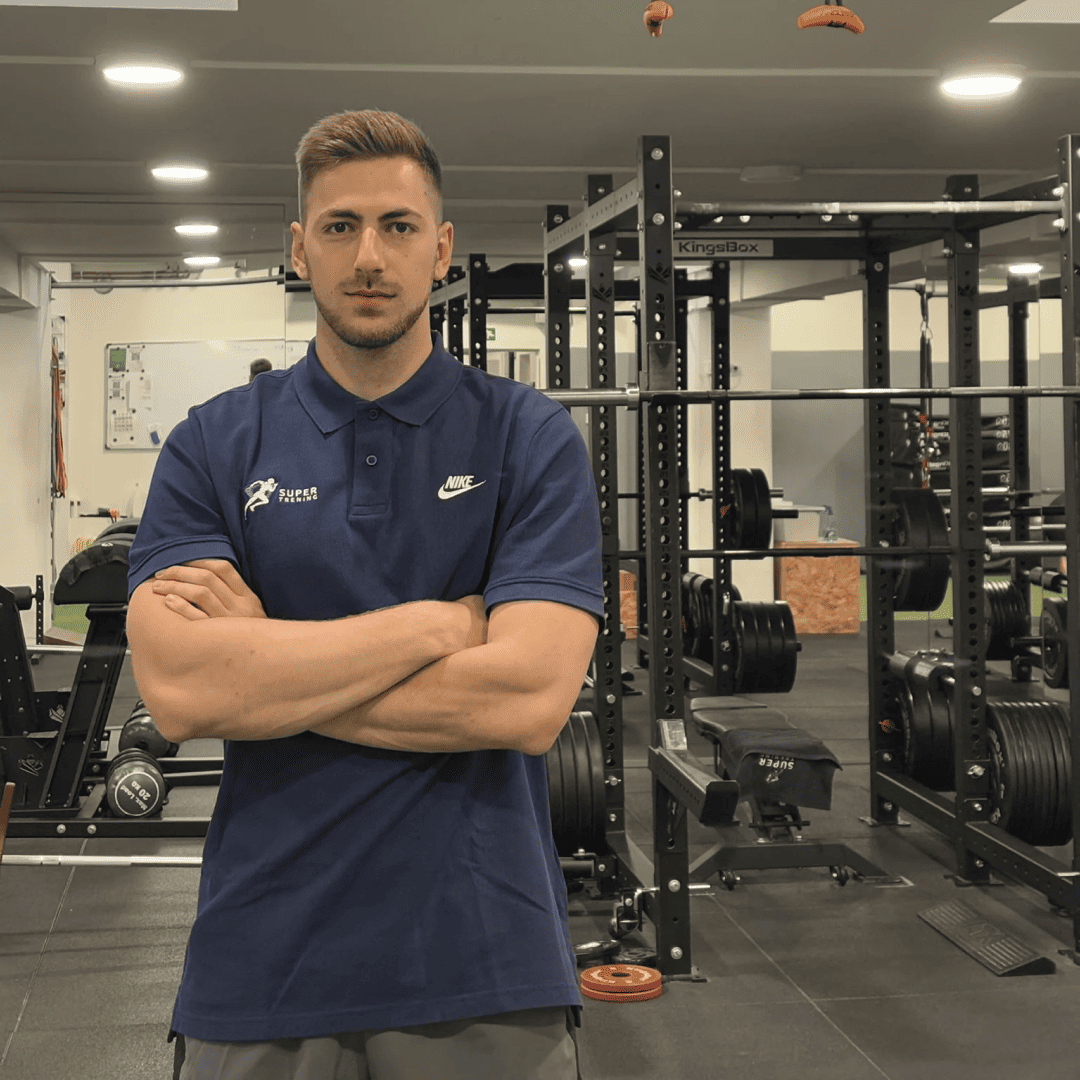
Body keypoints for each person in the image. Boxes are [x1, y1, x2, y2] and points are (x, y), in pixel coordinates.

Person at [124, 109, 604, 1080]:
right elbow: (181, 691)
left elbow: (526, 701)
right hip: (259, 964)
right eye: (339, 227)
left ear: (442, 249)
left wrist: (267, 663)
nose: (370, 256)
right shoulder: (213, 443)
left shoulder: (528, 437)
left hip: (485, 960)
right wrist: (438, 624)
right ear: (300, 249)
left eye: (397, 226)